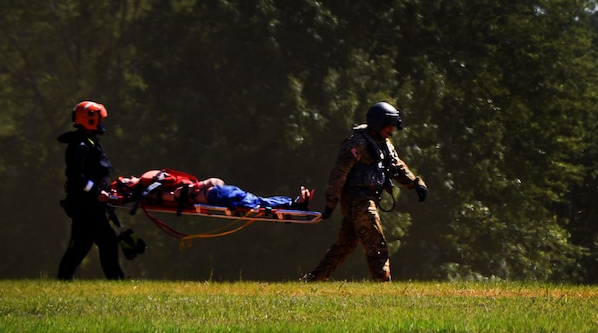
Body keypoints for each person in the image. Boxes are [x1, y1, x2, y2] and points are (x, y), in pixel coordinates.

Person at [302, 101, 428, 282]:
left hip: (368, 200)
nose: (391, 132)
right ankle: (383, 285)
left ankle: (314, 280)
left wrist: (416, 184)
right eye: (388, 127)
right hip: (358, 202)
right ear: (378, 123)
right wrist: (331, 204)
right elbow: (339, 173)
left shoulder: (385, 145)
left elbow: (397, 167)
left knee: (344, 246)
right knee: (377, 245)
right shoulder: (357, 144)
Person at [57, 101, 124, 280]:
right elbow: (75, 176)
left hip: (91, 204)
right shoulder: (80, 145)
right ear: (90, 120)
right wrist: (96, 192)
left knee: (84, 243)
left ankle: (64, 278)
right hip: (85, 205)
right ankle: (116, 279)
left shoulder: (90, 142)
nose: (102, 124)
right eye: (100, 120)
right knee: (105, 241)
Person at [110, 169, 313, 211]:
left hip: (215, 193)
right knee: (256, 202)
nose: (129, 177)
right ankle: (295, 203)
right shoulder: (150, 191)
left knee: (258, 200)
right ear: (128, 187)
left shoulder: (150, 184)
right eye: (126, 180)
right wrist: (204, 184)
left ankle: (294, 203)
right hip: (216, 195)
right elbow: (177, 195)